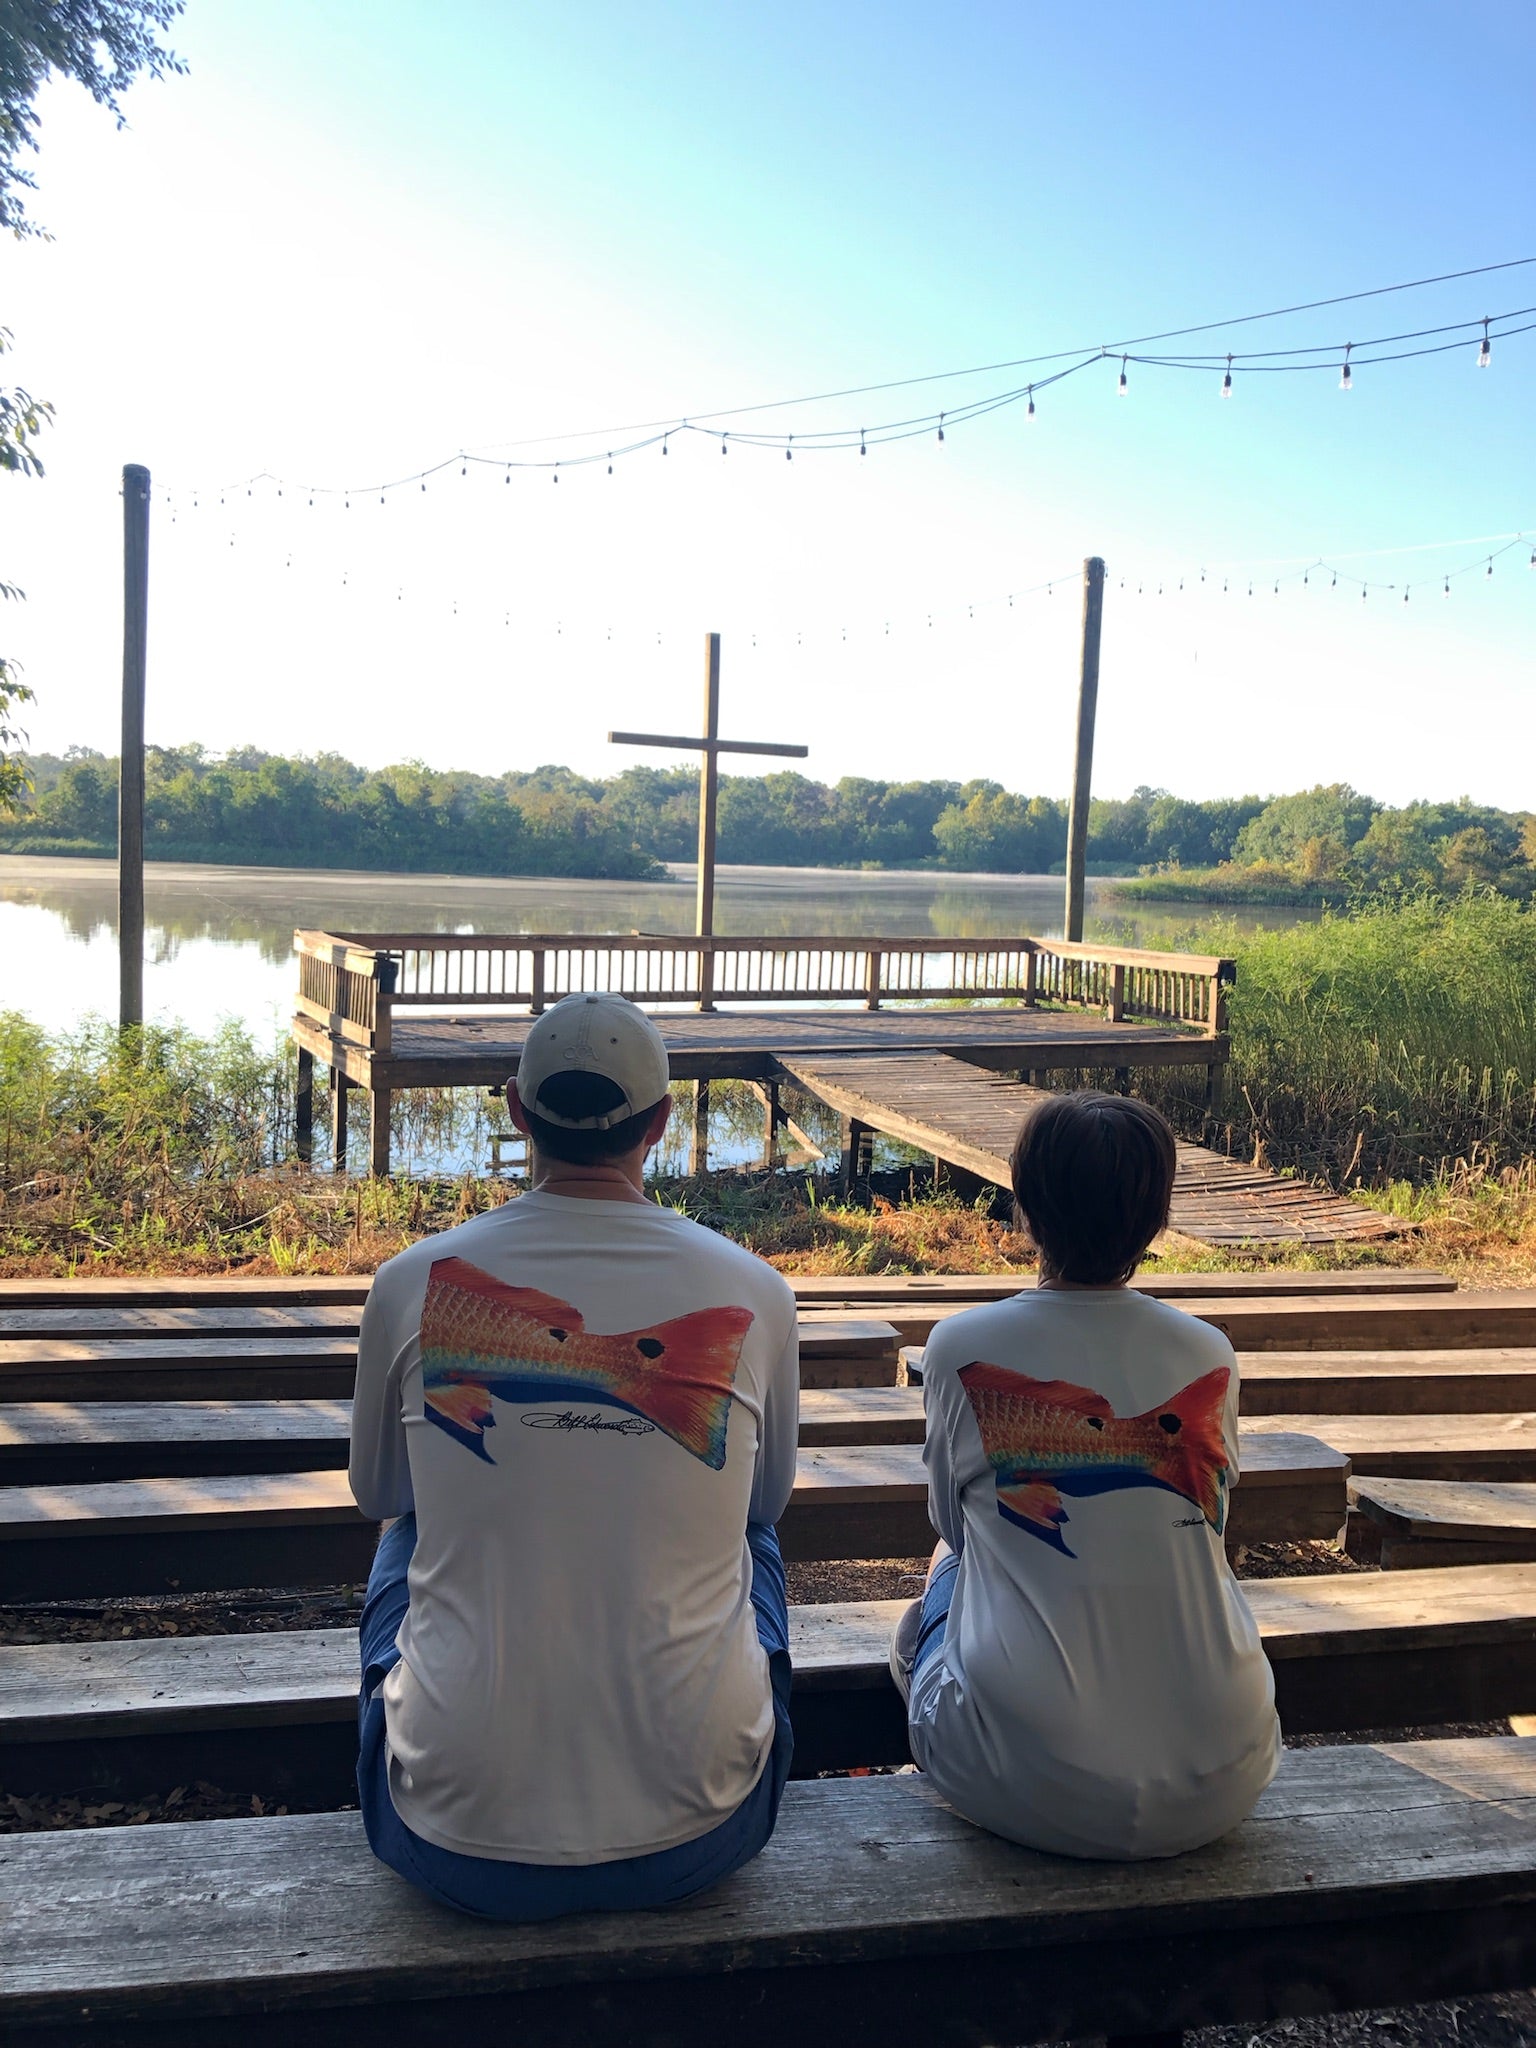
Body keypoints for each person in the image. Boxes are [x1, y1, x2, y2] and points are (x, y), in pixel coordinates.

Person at [349, 992, 799, 1919]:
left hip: (445, 1835)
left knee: (407, 1519)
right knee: (753, 1535)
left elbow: (375, 1493)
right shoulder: (757, 1290)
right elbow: (767, 1507)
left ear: (519, 1110)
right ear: (661, 1122)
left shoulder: (407, 1282)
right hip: (706, 1828)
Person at [890, 1089, 1280, 1860]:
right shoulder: (1208, 1351)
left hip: (1029, 1786)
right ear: (1157, 1220)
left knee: (947, 1567)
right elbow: (1207, 1521)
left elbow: (951, 1529)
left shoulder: (960, 1345)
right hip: (1227, 1773)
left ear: (1025, 1209)